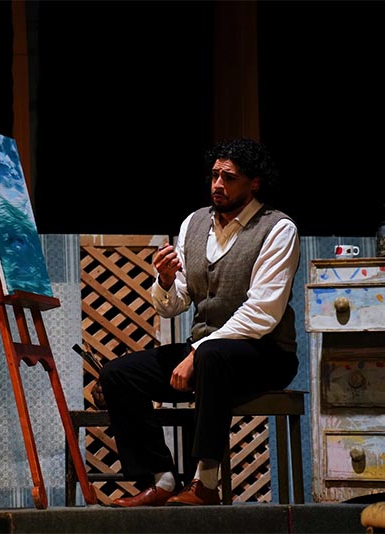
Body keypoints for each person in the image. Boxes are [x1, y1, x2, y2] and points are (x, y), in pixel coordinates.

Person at [98, 137, 300, 507]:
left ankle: (205, 484)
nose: (218, 185)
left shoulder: (278, 229)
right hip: (206, 354)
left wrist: (196, 352)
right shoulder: (194, 223)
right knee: (119, 374)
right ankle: (160, 479)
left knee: (211, 357)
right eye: (215, 175)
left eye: (229, 178)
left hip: (266, 355)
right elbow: (174, 303)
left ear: (254, 183)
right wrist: (164, 280)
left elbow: (263, 312)